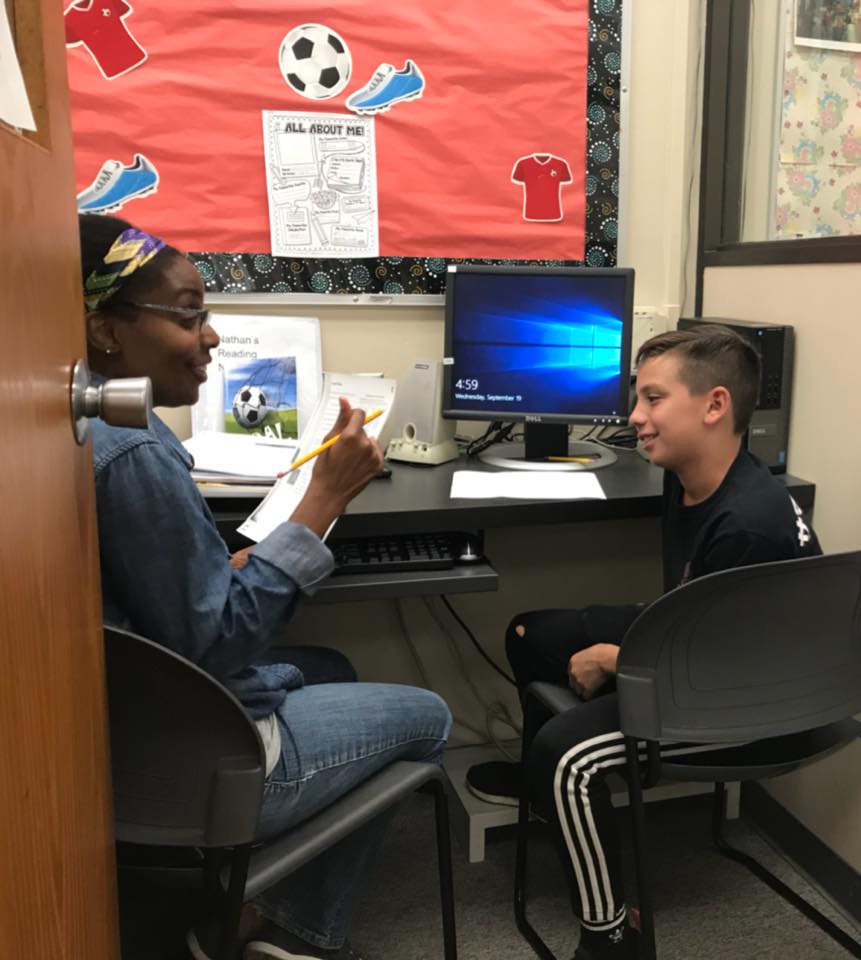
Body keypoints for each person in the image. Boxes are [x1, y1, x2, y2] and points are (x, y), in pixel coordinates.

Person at [80, 213, 452, 960]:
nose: (211, 335)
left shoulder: (86, 422)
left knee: (334, 669)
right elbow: (218, 643)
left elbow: (159, 603)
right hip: (184, 755)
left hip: (121, 729)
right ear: (106, 331)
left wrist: (222, 572)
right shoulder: (131, 454)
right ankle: (279, 928)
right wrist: (323, 500)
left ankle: (228, 891)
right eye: (190, 315)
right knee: (429, 715)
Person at [466, 325, 822, 959]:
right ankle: (548, 797)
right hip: (699, 639)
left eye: (653, 400)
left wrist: (617, 660)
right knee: (529, 632)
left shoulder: (749, 524)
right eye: (637, 398)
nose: (635, 417)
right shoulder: (690, 472)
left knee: (567, 757)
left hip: (748, 700)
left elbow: (722, 663)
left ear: (714, 405)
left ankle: (612, 935)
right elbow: (702, 613)